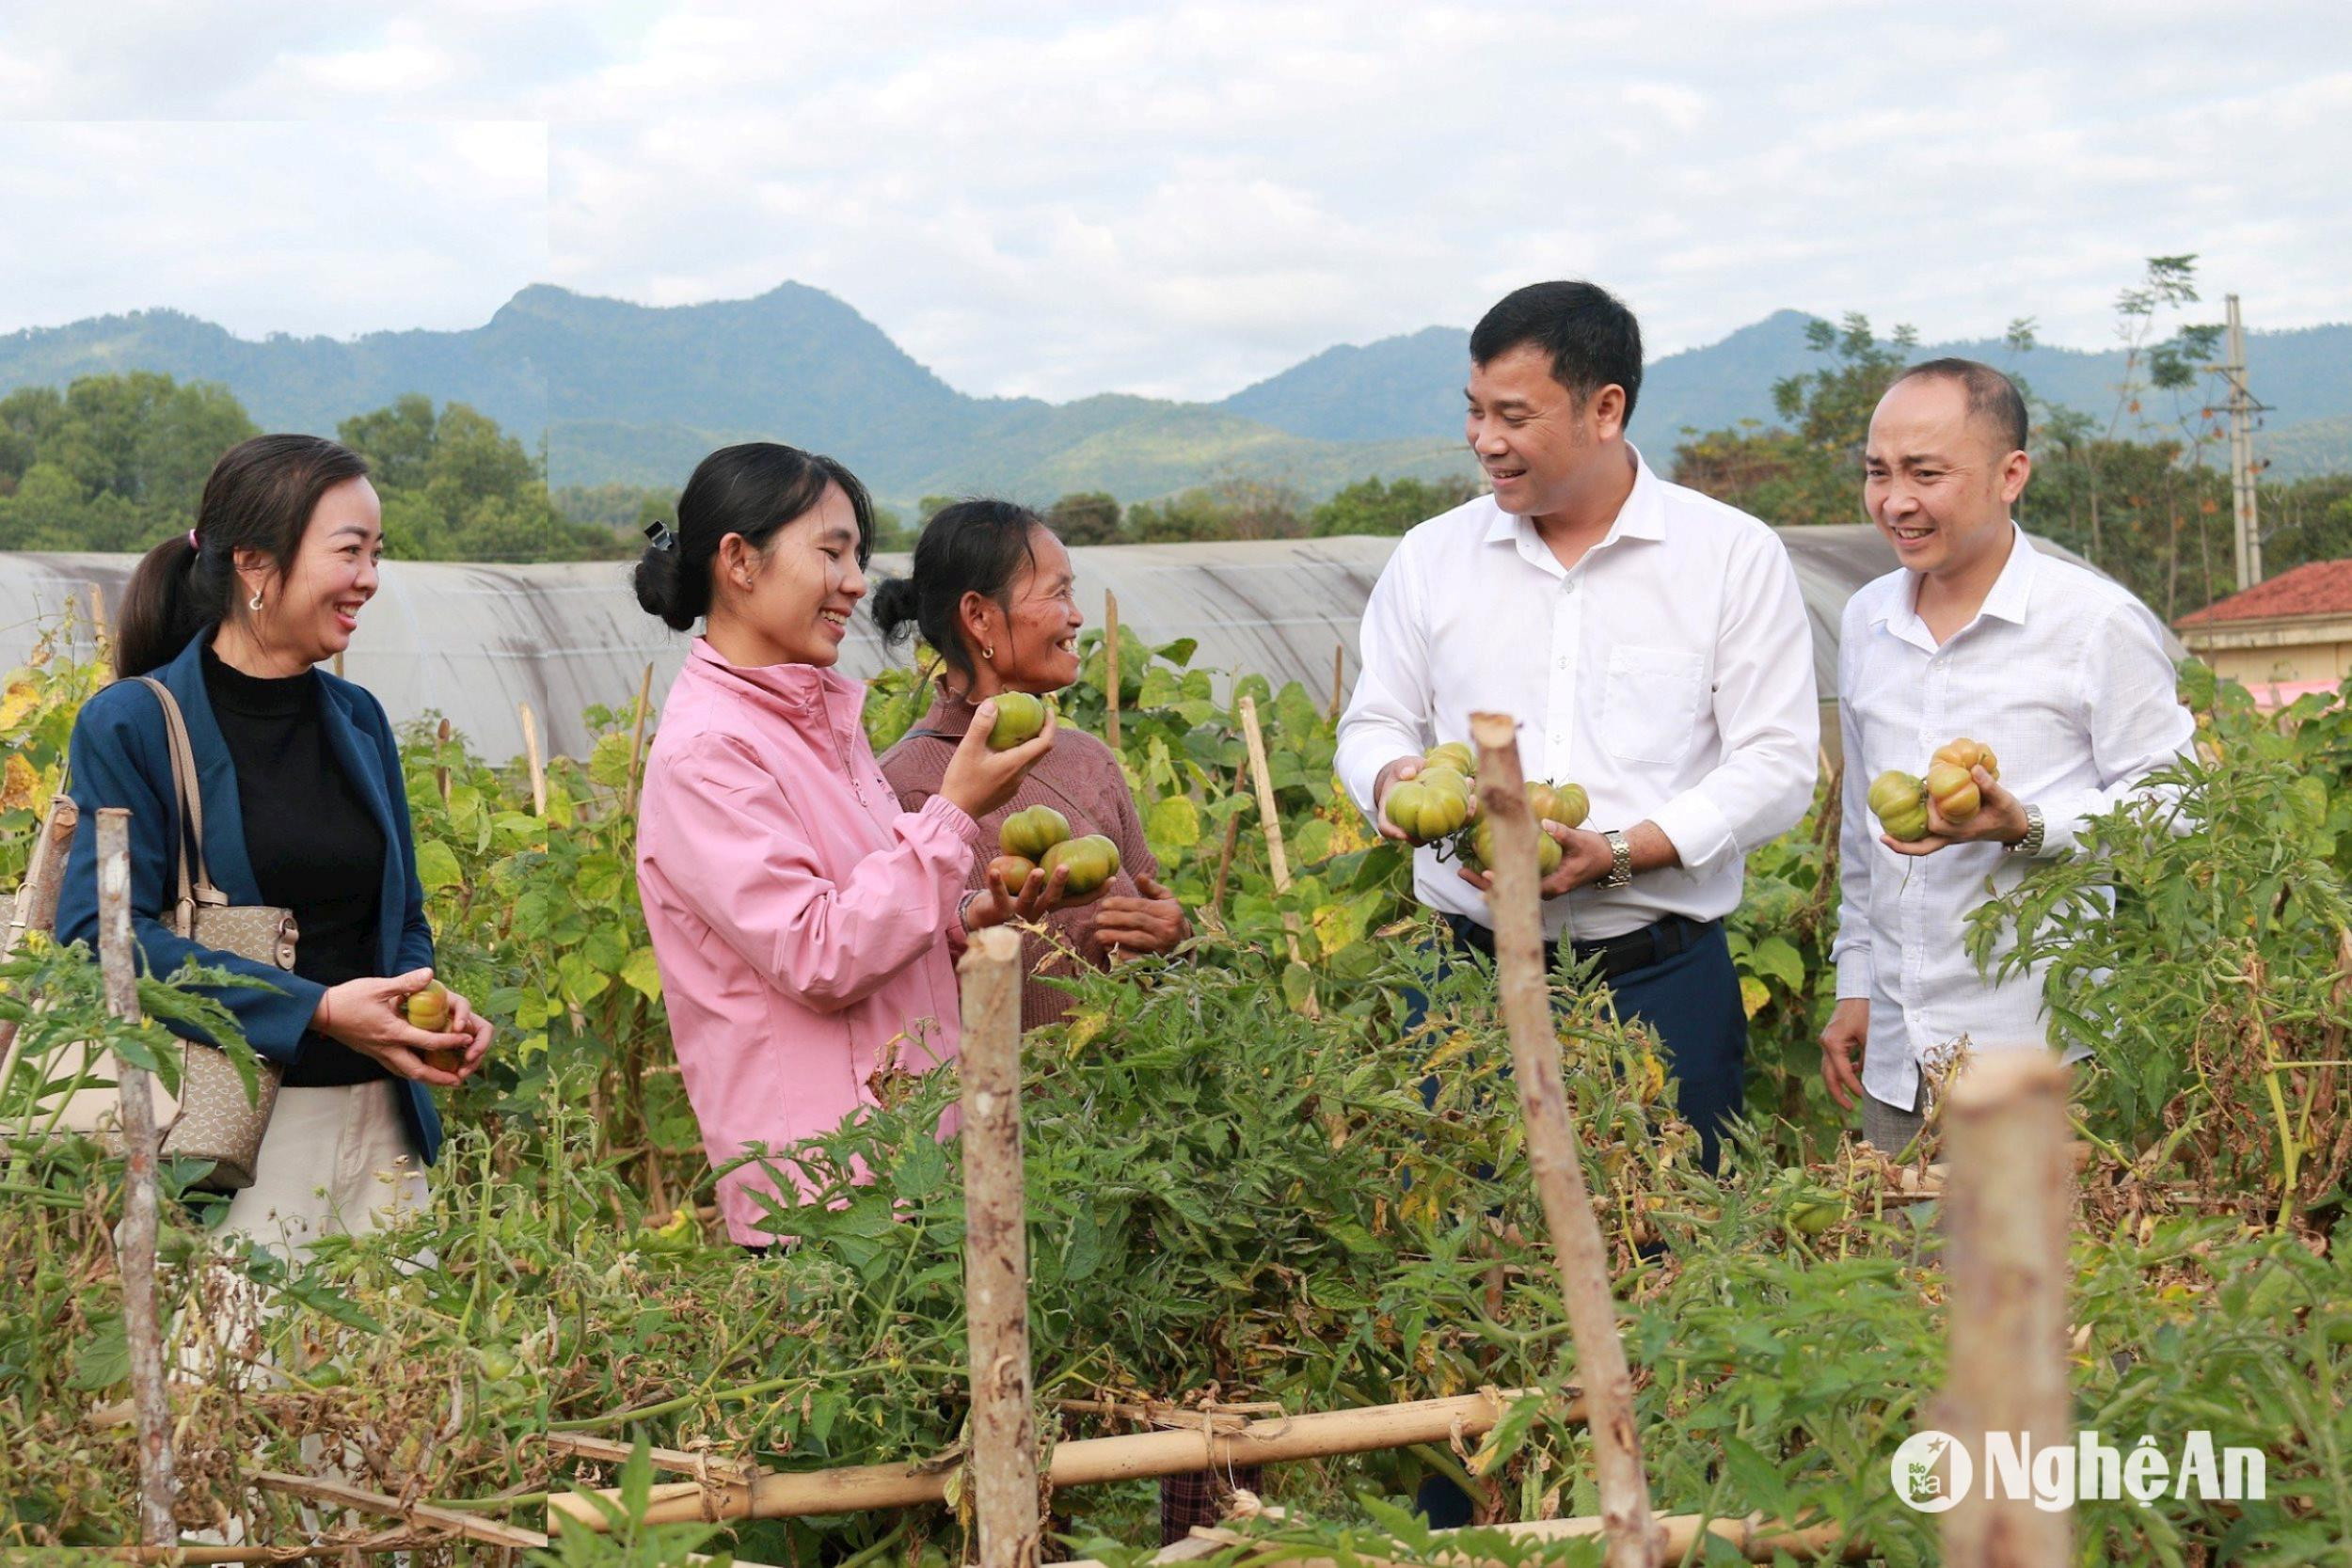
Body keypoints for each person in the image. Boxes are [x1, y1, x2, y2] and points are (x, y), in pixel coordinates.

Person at [1337, 280, 1820, 1178]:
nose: (1486, 441)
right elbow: (1373, 719)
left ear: (1606, 409)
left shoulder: (1729, 556)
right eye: (1475, 411)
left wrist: (1623, 849)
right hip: (1460, 979)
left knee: (1668, 1250)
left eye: (1513, 415)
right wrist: (1392, 778)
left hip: (1657, 983)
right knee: (1454, 1251)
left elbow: (1781, 761)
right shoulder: (1432, 556)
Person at [56, 434, 493, 1252]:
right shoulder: (136, 723)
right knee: (246, 1379)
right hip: (236, 1136)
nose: (368, 577)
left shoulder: (357, 719)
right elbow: (102, 938)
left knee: (400, 1375)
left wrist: (423, 1005)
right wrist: (319, 1010)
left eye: (378, 552)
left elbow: (398, 913)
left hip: (385, 1134)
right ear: (255, 566)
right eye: (349, 551)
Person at [631, 447, 1053, 1249]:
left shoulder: (810, 718)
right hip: (823, 1210)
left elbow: (865, 905)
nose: (856, 581)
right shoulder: (710, 754)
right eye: (831, 552)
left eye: (857, 555)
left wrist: (962, 915)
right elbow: (820, 953)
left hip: (900, 1178)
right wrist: (954, 812)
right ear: (739, 561)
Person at [1821, 360, 2196, 1154]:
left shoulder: (2092, 623)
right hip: (1899, 1060)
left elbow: (2181, 802)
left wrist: (2029, 825)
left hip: (2042, 1056)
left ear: (2010, 474)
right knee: (1902, 1275)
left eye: (1926, 473)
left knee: (2038, 1277)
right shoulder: (1865, 621)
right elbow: (1864, 835)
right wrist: (1856, 982)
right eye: (1877, 473)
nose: (1896, 501)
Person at [873, 500, 1188, 1032]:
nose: (1076, 614)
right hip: (1001, 1107)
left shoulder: (1090, 761)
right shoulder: (903, 788)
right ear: (978, 617)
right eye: (1057, 592)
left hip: (1132, 1096)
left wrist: (1173, 939)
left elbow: (1149, 914)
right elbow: (898, 979)